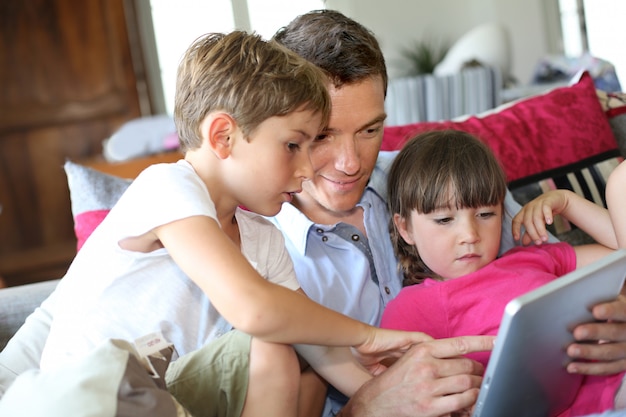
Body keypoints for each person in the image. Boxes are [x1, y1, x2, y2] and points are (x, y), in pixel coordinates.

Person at [24, 31, 431, 417]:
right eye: (293, 145)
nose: (307, 168)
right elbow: (254, 309)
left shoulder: (262, 239)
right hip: (92, 395)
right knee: (266, 341)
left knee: (276, 349)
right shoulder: (167, 187)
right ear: (223, 137)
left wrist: (400, 398)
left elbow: (314, 343)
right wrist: (367, 335)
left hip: (168, 397)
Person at [271, 9, 626, 417]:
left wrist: (616, 319)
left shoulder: (432, 174)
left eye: (369, 130)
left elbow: (548, 281)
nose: (351, 162)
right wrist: (363, 409)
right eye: (324, 136)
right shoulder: (266, 257)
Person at [380, 129, 625, 416]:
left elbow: (619, 256)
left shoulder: (531, 258)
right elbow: (395, 393)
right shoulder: (414, 307)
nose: (470, 234)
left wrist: (567, 202)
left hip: (607, 385)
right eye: (445, 219)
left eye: (486, 214)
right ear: (405, 228)